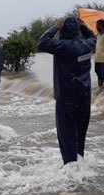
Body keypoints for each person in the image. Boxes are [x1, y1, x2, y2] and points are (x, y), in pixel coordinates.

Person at [38, 17, 96, 165]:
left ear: (63, 30)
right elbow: (93, 36)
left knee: (66, 134)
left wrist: (55, 27)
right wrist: (83, 26)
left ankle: (70, 169)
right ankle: (80, 163)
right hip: (84, 96)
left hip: (66, 96)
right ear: (77, 30)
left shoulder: (61, 46)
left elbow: (42, 43)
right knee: (80, 133)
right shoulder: (87, 45)